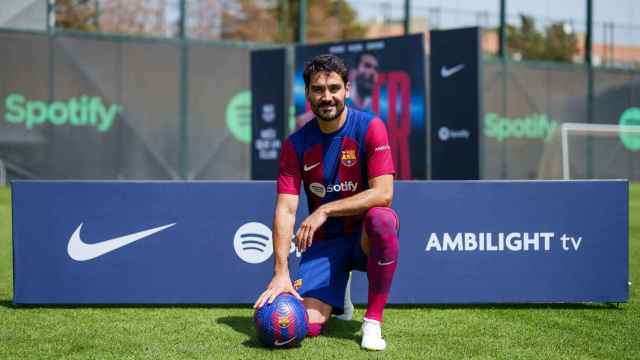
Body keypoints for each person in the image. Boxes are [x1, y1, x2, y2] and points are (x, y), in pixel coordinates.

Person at [253, 54, 399, 351]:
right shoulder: (296, 144)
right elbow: (286, 208)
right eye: (318, 90)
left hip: (364, 238)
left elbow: (384, 193)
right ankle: (337, 294)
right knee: (307, 325)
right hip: (327, 243)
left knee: (382, 219)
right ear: (307, 94)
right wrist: (281, 272)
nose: (327, 97)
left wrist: (326, 209)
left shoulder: (371, 127)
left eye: (334, 88)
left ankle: (372, 322)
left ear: (347, 89)